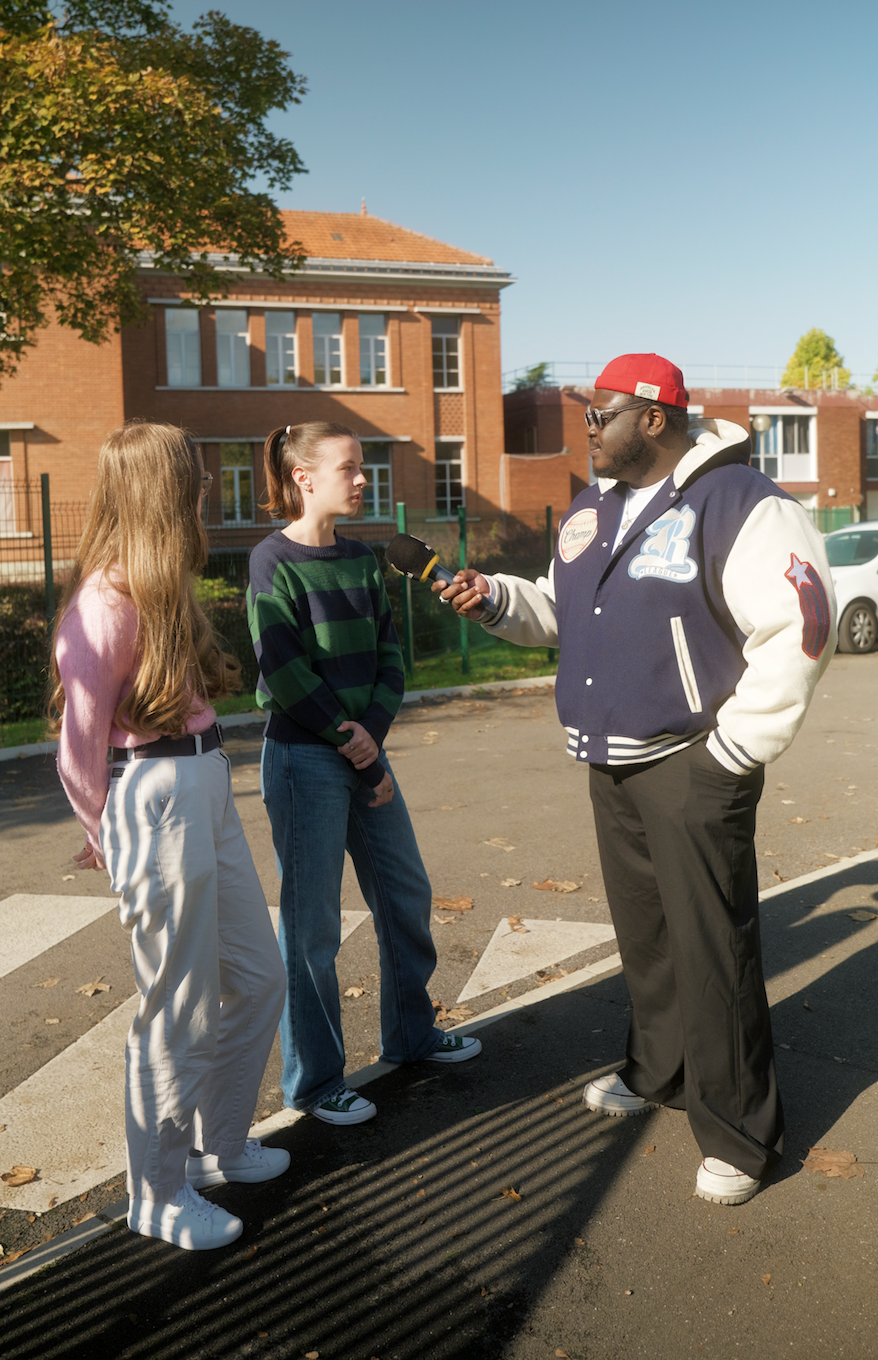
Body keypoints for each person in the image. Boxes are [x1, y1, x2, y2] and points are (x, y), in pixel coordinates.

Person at [437, 353, 836, 1206]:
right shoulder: (591, 513)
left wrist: (732, 752)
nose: (587, 430)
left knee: (713, 952)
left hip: (694, 765)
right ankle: (660, 1074)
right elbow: (559, 607)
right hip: (610, 764)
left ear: (654, 417)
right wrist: (498, 598)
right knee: (649, 942)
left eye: (601, 415)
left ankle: (740, 1134)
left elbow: (802, 625)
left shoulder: (743, 504)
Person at [51, 422, 289, 1250]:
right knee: (177, 1007)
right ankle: (155, 1193)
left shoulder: (161, 589)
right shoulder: (103, 607)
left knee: (259, 977)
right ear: (165, 489)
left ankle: (216, 1146)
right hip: (153, 796)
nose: (207, 488)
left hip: (205, 776)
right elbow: (77, 749)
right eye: (196, 475)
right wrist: (106, 834)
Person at [247, 422, 480, 1126]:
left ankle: (410, 1036)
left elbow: (390, 658)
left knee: (405, 893)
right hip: (303, 758)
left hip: (361, 753)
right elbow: (282, 670)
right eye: (349, 468)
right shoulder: (269, 562)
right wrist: (347, 741)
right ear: (303, 478)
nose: (362, 479)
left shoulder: (362, 562)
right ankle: (316, 1083)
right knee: (311, 927)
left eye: (363, 467)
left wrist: (369, 742)